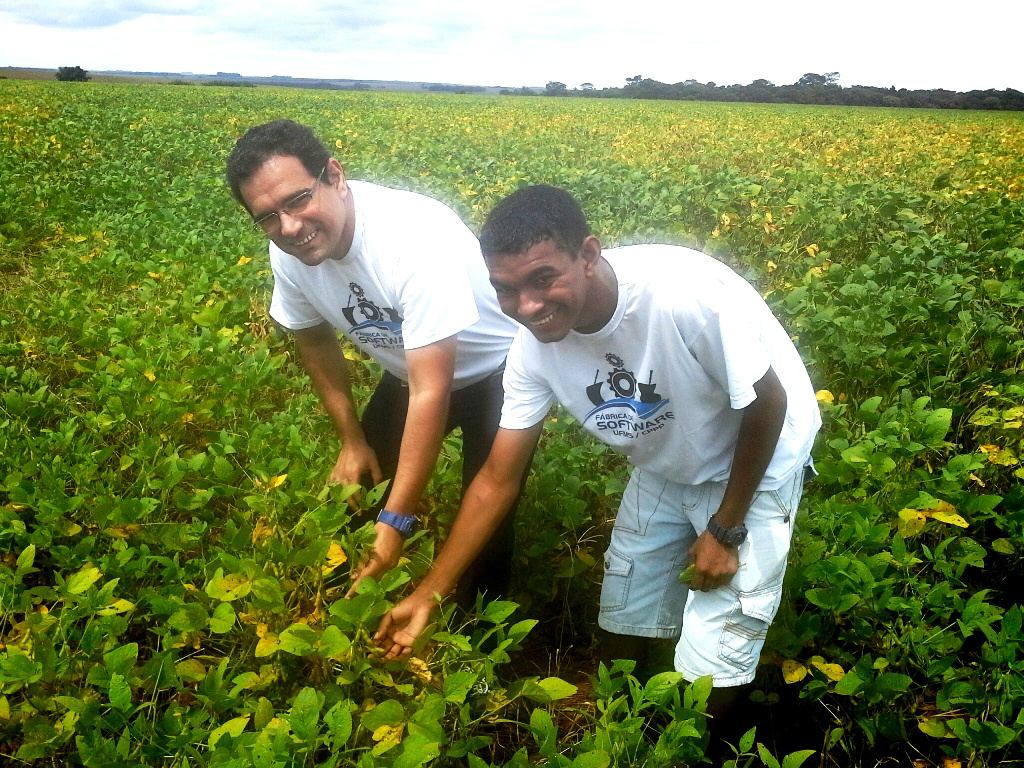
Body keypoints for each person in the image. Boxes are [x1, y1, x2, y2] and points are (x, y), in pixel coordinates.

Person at [376, 184, 821, 722]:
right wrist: (430, 593)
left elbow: (767, 403)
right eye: (506, 290)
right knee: (625, 605)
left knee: (716, 655)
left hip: (757, 456)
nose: (528, 307)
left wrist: (726, 529)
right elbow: (497, 478)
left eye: (543, 279)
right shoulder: (531, 350)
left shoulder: (681, 296)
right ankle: (614, 727)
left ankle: (689, 744)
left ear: (588, 254)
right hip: (665, 459)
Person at [225, 119, 521, 600]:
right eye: (268, 216)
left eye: (299, 199)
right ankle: (347, 613)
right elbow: (315, 340)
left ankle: (477, 641)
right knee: (360, 495)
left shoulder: (411, 238)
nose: (290, 227)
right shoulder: (289, 251)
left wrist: (398, 519)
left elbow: (433, 390)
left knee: (484, 520)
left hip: (501, 372)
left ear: (335, 177)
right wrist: (351, 439)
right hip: (410, 370)